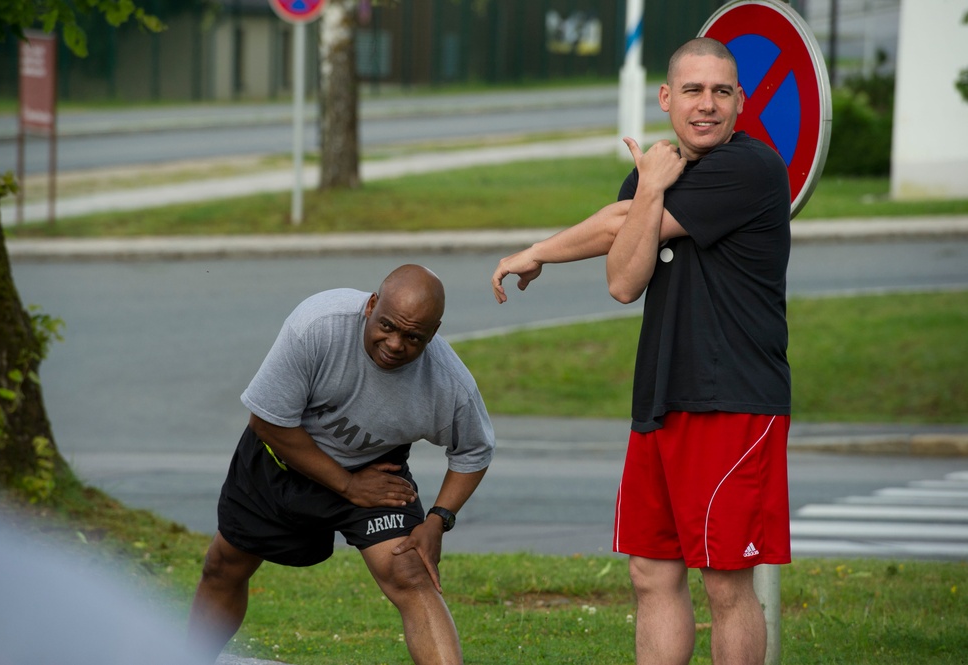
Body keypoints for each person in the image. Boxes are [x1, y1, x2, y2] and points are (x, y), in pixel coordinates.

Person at [490, 37, 791, 665]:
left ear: (741, 101)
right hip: (659, 398)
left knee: (725, 584)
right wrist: (649, 186)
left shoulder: (752, 168)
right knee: (651, 574)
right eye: (692, 90)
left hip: (732, 401)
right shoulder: (653, 175)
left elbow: (612, 228)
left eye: (721, 91)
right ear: (666, 98)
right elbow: (624, 282)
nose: (706, 105)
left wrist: (539, 250)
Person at [188, 264, 495, 665]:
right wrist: (348, 486)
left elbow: (474, 451)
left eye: (413, 337)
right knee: (225, 566)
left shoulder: (448, 386)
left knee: (411, 574)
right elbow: (266, 422)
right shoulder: (318, 325)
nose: (396, 343)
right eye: (387, 325)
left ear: (432, 334)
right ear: (370, 305)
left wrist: (437, 520)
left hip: (374, 472)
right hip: (281, 459)